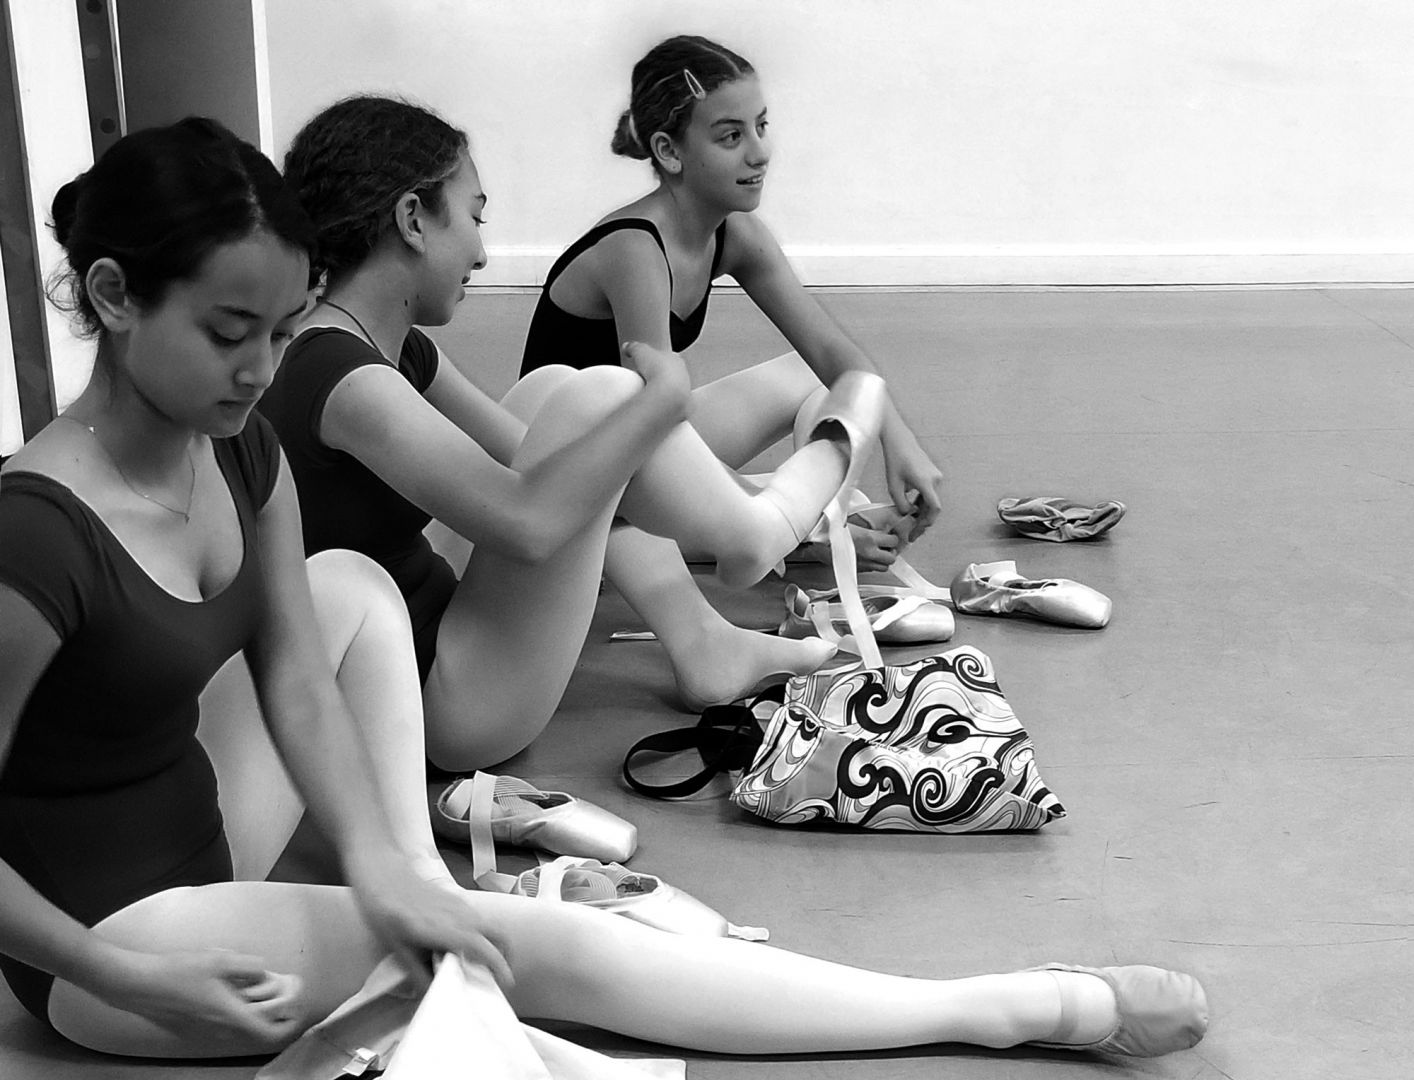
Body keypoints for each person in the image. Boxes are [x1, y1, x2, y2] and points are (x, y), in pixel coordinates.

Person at [0, 117, 1210, 1065]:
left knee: (349, 582)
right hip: (104, 942)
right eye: (229, 334)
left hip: (209, 831)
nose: (260, 368)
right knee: (520, 951)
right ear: (113, 296)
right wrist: (122, 976)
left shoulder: (238, 447)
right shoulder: (33, 533)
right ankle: (1004, 1007)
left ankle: (421, 865)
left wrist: (379, 860)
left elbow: (298, 685)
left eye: (278, 332)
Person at [265, 95, 882, 771]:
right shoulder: (343, 376)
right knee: (600, 400)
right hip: (440, 703)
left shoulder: (390, 349)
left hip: (435, 629)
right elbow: (528, 523)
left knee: (553, 390)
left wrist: (662, 451)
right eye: (474, 218)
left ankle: (714, 613)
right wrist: (661, 400)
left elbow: (548, 464)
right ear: (413, 220)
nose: (481, 251)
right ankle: (760, 529)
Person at [519, 34, 947, 572]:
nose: (759, 152)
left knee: (820, 378)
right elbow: (654, 423)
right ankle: (797, 526)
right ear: (669, 152)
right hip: (574, 468)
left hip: (640, 446)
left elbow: (829, 350)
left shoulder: (736, 233)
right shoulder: (634, 248)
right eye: (731, 136)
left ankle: (805, 514)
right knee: (713, 487)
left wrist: (900, 444)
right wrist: (799, 528)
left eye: (761, 126)